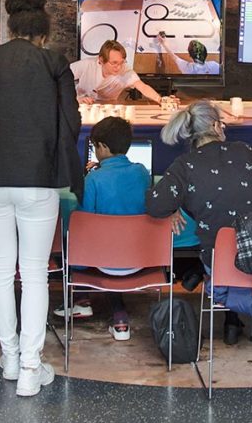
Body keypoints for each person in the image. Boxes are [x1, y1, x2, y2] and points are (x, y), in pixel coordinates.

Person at [0, 0, 83, 397]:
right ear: (42, 35)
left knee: (1, 271)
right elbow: (72, 123)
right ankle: (30, 366)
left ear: (11, 28)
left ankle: (9, 358)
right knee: (35, 275)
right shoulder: (54, 63)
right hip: (38, 180)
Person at [146, 100, 252, 344]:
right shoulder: (249, 151)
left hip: (218, 264)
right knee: (237, 229)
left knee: (216, 238)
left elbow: (155, 205)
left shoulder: (184, 166)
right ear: (217, 126)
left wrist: (172, 208)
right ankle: (234, 317)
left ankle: (201, 276)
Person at [54, 117, 151, 341]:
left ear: (103, 147)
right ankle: (118, 317)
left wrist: (90, 177)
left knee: (70, 236)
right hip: (140, 258)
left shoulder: (94, 179)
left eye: (95, 146)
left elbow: (84, 221)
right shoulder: (142, 173)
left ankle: (80, 299)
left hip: (102, 261)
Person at [71, 40, 162, 104]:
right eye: (114, 63)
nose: (118, 67)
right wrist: (76, 99)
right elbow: (60, 77)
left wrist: (160, 99)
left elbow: (143, 87)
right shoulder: (87, 65)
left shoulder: (125, 72)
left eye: (121, 63)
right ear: (101, 60)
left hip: (108, 109)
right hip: (80, 107)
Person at [154, 34, 221, 75]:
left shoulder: (187, 68)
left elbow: (173, 57)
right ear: (205, 53)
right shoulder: (214, 65)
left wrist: (163, 43)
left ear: (190, 55)